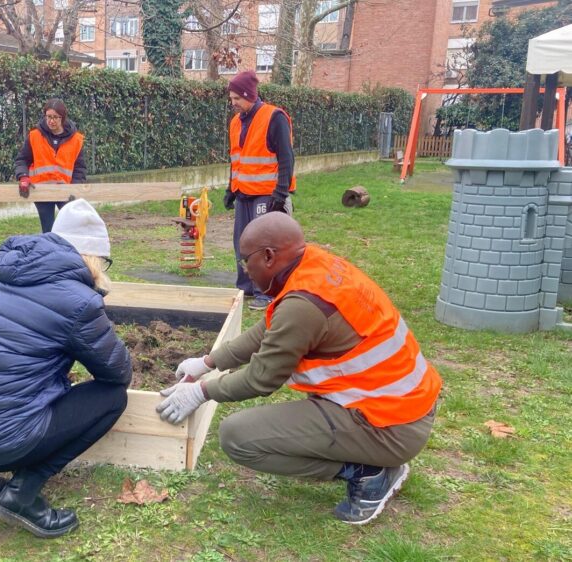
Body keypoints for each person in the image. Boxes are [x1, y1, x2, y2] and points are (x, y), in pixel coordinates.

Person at [156, 212, 442, 525]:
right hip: (398, 408)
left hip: (389, 427)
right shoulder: (313, 265)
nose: (245, 270)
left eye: (246, 261)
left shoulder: (303, 306)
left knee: (237, 437)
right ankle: (368, 459)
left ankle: (369, 473)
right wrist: (208, 362)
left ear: (268, 256)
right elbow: (269, 329)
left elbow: (261, 378)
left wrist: (200, 392)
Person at [0, 198, 131, 539]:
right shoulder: (78, 301)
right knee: (113, 397)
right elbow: (118, 372)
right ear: (93, 258)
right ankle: (21, 494)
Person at [223, 70, 296, 311]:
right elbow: (236, 160)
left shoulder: (274, 117)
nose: (233, 103)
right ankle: (246, 286)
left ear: (249, 95)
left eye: (236, 98)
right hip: (243, 192)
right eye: (231, 98)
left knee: (263, 245)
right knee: (242, 242)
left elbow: (286, 158)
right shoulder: (236, 123)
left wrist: (281, 193)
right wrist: (230, 189)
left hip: (267, 193)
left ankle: (267, 292)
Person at [14, 98, 87, 233]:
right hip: (41, 190)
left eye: (55, 117)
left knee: (69, 228)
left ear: (63, 118)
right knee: (48, 230)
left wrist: (75, 188)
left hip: (66, 190)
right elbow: (22, 160)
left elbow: (79, 168)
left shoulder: (76, 140)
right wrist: (23, 176)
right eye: (48, 117)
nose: (51, 121)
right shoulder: (34, 136)